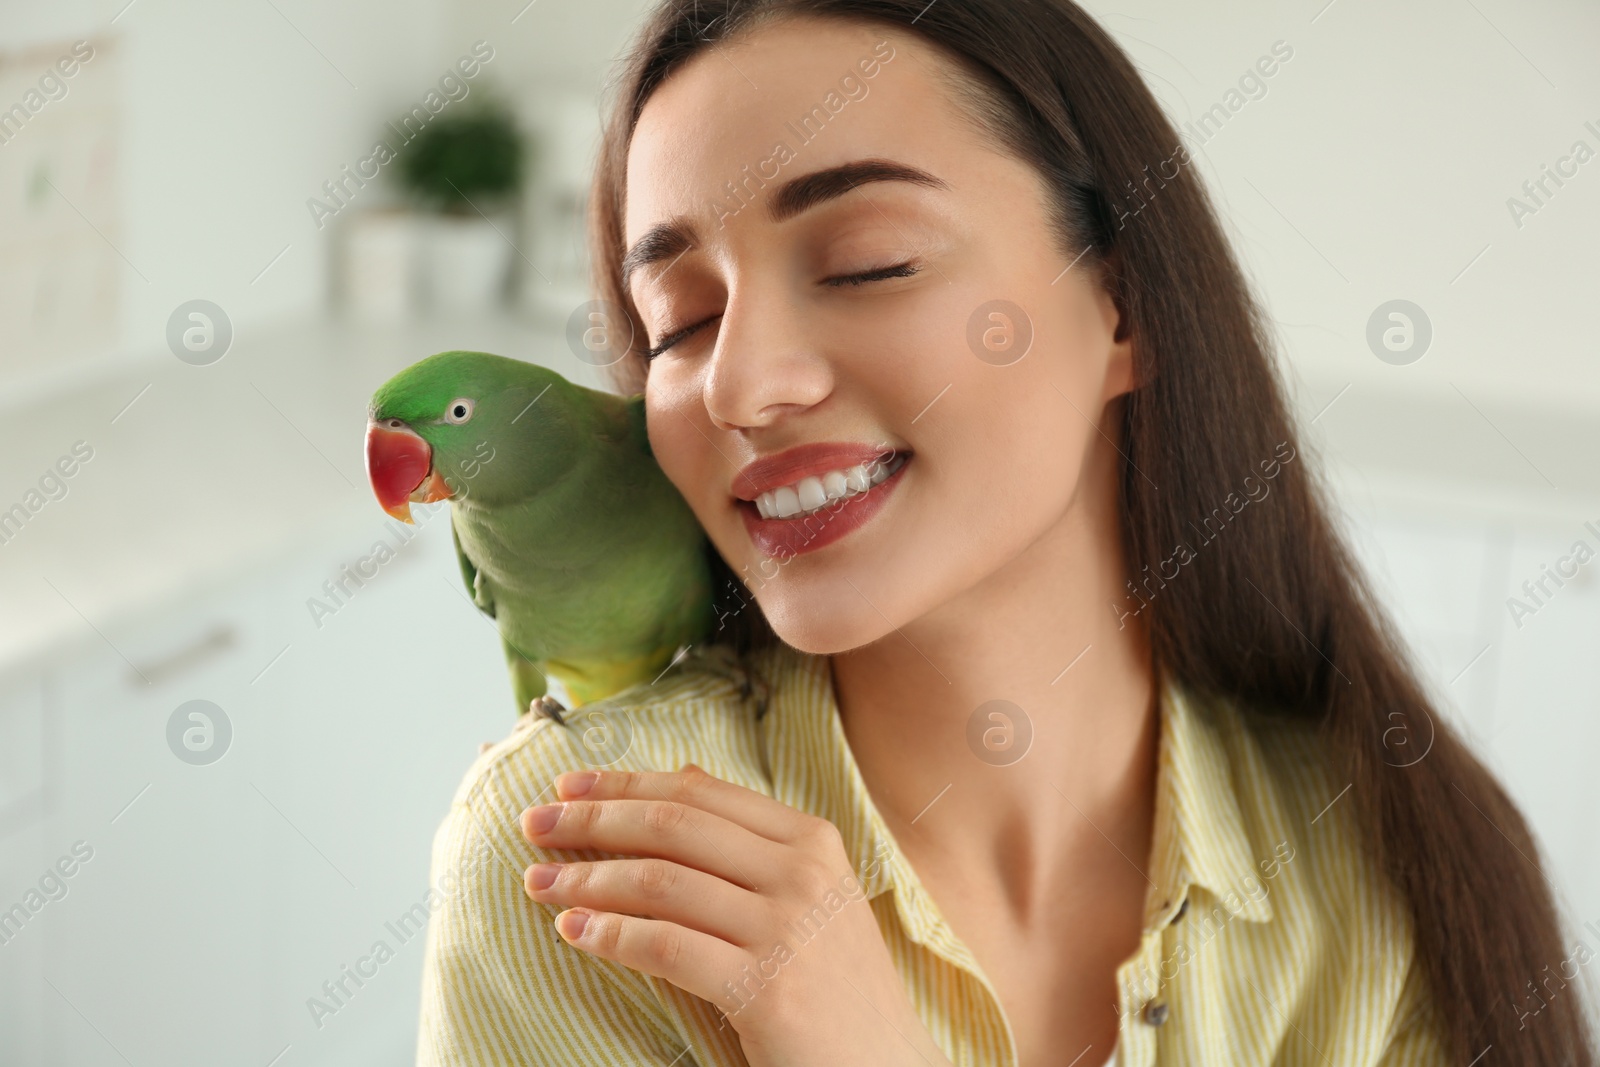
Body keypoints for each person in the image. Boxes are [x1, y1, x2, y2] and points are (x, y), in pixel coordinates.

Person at [415, 2, 1594, 1065]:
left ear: (1120, 305)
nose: (741, 384)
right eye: (680, 320)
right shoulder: (575, 870)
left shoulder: (1384, 868)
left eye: (867, 262)